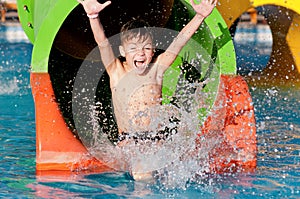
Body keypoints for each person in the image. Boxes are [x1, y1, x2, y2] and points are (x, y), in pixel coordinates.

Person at [77, 0, 217, 180]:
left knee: (191, 167)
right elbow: (103, 43)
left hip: (157, 140)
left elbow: (179, 42)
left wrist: (200, 16)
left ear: (153, 51)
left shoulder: (157, 69)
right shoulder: (116, 71)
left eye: (146, 48)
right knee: (143, 175)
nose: (140, 53)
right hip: (130, 142)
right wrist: (93, 16)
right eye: (133, 49)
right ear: (122, 51)